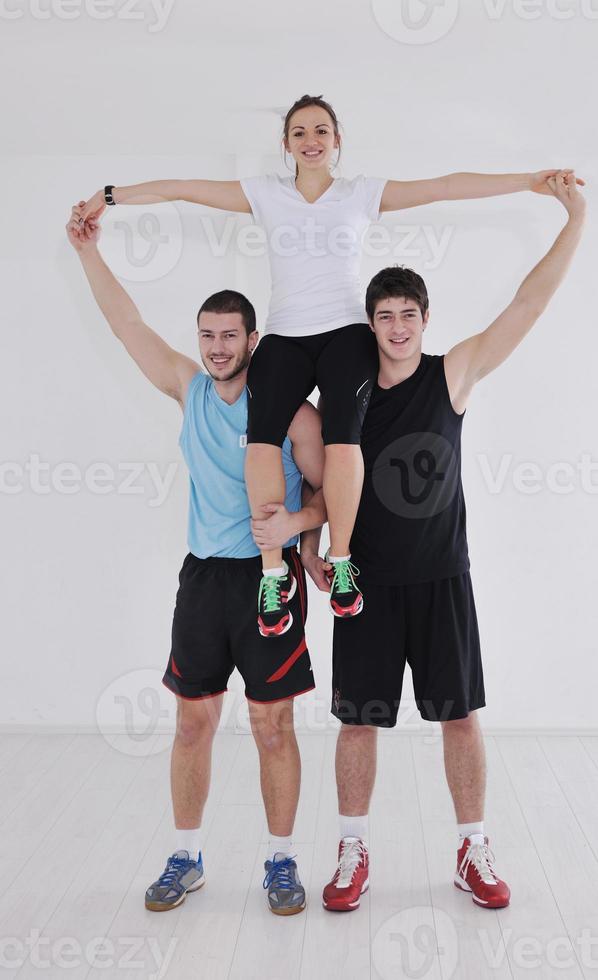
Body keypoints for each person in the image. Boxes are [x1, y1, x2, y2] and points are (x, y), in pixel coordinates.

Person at [76, 95, 582, 638]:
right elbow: (181, 189)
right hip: (287, 334)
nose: (310, 140)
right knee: (263, 440)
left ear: (337, 140)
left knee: (344, 440)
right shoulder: (265, 194)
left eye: (321, 130)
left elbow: (445, 185)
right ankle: (275, 570)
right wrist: (109, 197)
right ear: (287, 144)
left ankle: (342, 562)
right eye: (299, 133)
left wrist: (530, 181)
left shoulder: (361, 194)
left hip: (345, 334)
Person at [305, 171, 585, 912]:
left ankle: (472, 847)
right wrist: (313, 540)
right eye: (385, 315)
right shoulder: (349, 396)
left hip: (441, 579)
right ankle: (352, 849)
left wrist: (574, 218)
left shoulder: (451, 375)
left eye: (408, 314)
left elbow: (528, 302)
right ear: (370, 324)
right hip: (363, 581)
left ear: (425, 321)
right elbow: (319, 468)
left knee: (460, 716)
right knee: (358, 721)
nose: (397, 326)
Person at [66, 205, 329, 917]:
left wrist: (303, 529)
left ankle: (281, 860)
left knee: (273, 725)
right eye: (207, 335)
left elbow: (331, 496)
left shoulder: (295, 416)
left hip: (268, 579)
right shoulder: (188, 392)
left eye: (229, 335)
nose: (216, 347)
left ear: (253, 340)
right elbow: (127, 326)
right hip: (204, 578)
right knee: (191, 723)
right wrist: (90, 252)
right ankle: (186, 855)